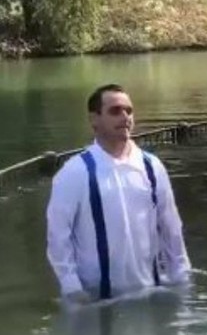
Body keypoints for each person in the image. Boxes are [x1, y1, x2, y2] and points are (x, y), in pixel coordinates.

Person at [46, 84, 192, 306]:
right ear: (94, 119)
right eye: (115, 111)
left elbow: (171, 229)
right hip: (96, 301)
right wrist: (72, 288)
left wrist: (181, 279)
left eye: (129, 110)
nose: (125, 116)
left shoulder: (151, 167)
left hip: (149, 295)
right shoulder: (74, 172)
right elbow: (58, 238)